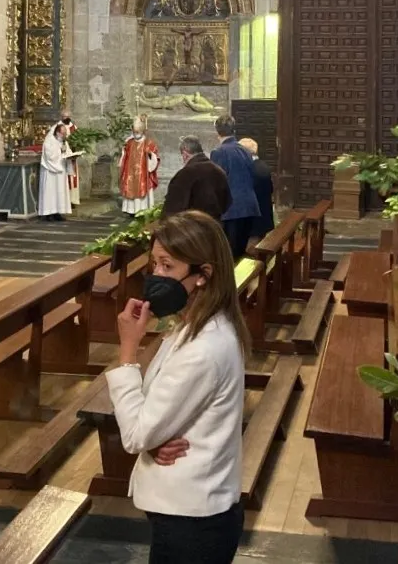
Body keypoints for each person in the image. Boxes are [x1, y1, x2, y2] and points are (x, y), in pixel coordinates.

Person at [109, 210, 249, 563]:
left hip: (194, 521)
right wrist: (154, 441)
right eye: (155, 264)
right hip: (189, 509)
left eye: (167, 267)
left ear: (203, 275)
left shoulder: (204, 348)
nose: (157, 276)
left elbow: (136, 434)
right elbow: (158, 418)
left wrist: (128, 350)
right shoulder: (193, 326)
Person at [209, 115, 260, 259]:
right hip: (249, 206)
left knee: (228, 254)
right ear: (233, 129)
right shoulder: (245, 151)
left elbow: (217, 182)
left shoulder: (219, 153)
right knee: (240, 252)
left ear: (217, 131)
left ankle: (231, 281)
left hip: (231, 209)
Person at [162, 135, 231, 221]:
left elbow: (172, 210)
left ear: (185, 154)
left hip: (192, 229)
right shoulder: (219, 171)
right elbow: (227, 202)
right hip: (215, 227)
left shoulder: (185, 175)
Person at [237, 138, 275, 250]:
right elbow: (271, 189)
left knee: (251, 254)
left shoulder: (248, 169)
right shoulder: (263, 166)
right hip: (264, 218)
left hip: (253, 221)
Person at [120, 115, 161, 215]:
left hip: (142, 172)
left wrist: (151, 156)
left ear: (143, 131)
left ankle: (143, 209)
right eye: (134, 132)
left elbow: (155, 157)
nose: (135, 134)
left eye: (137, 132)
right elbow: (124, 154)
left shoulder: (149, 143)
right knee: (130, 187)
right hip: (130, 171)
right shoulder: (129, 142)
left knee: (141, 187)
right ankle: (131, 210)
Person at [38, 121, 73, 221]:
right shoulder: (49, 141)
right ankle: (48, 213)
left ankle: (58, 212)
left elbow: (67, 152)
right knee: (51, 193)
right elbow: (50, 156)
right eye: (63, 133)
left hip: (61, 171)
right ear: (57, 133)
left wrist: (72, 156)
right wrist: (61, 152)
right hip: (51, 172)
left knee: (60, 192)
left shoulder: (63, 141)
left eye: (65, 133)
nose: (65, 135)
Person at [54, 109, 81, 205]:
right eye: (65, 116)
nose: (67, 118)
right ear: (61, 117)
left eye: (68, 116)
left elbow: (78, 140)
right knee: (65, 178)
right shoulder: (57, 127)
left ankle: (73, 200)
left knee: (73, 177)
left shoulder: (74, 127)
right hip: (62, 158)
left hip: (72, 156)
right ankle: (65, 200)